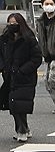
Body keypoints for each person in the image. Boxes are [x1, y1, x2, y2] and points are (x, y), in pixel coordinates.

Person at [0, 12, 39, 143]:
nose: (12, 26)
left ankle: (21, 130)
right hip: (9, 77)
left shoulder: (28, 38)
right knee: (14, 104)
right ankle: (24, 128)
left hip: (25, 78)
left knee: (19, 105)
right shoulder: (4, 39)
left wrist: (22, 71)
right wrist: (4, 68)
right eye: (10, 23)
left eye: (15, 23)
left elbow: (36, 58)